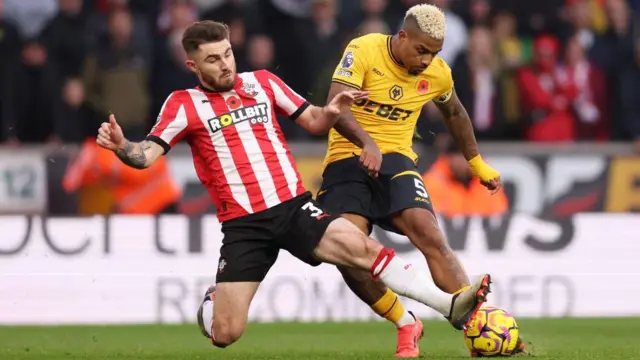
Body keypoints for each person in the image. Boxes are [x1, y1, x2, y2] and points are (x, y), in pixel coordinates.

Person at [95, 20, 492, 349]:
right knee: (226, 334)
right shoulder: (182, 104)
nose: (224, 65)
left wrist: (334, 110)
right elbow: (147, 154)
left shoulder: (264, 83)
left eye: (228, 54)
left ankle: (446, 305)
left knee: (364, 249)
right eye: (212, 60)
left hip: (294, 206)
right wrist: (123, 146)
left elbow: (315, 122)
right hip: (244, 226)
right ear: (193, 66)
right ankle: (214, 303)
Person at [317, 4, 523, 357]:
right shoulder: (364, 49)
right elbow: (335, 104)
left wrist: (476, 163)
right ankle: (405, 322)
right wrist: (366, 142)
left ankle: (477, 327)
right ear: (402, 37)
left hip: (396, 158)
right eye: (421, 50)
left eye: (435, 53)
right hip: (346, 160)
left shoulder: (439, 74)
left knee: (427, 231)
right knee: (349, 254)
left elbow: (455, 112)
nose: (427, 60)